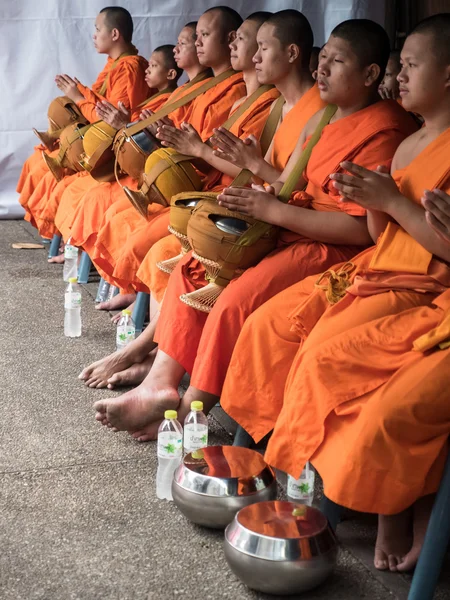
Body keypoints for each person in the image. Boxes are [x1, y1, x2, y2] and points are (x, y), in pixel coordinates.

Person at [92, 18, 417, 436]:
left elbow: (361, 230)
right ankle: (160, 383)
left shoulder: (384, 132)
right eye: (325, 60)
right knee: (194, 269)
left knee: (234, 300)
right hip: (285, 220)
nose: (322, 69)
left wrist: (272, 208)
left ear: (371, 75)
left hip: (324, 243)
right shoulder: (327, 119)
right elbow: (290, 184)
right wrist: (255, 169)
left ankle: (190, 412)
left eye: (336, 62)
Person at [220, 13, 450, 574]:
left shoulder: (399, 136)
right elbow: (381, 234)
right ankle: (290, 471)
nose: (401, 77)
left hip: (422, 285)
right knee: (300, 340)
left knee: (328, 358)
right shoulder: (411, 145)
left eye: (412, 66)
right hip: (383, 269)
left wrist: (390, 204)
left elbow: (437, 247)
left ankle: (326, 496)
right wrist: (378, 201)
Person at [79, 8, 326, 389]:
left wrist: (231, 160)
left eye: (252, 44)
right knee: (178, 257)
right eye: (250, 44)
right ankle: (151, 355)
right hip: (255, 205)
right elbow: (266, 173)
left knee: (177, 256)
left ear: (292, 53)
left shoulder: (314, 112)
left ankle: (163, 370)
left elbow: (298, 188)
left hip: (285, 223)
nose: (246, 52)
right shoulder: (276, 103)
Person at [17, 6, 148, 222]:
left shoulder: (129, 68)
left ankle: (62, 241)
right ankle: (57, 237)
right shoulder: (115, 65)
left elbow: (110, 121)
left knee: (50, 173)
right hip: (96, 138)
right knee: (37, 160)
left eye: (98, 29)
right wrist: (77, 95)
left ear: (114, 34)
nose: (94, 35)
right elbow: (99, 105)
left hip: (109, 152)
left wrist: (78, 97)